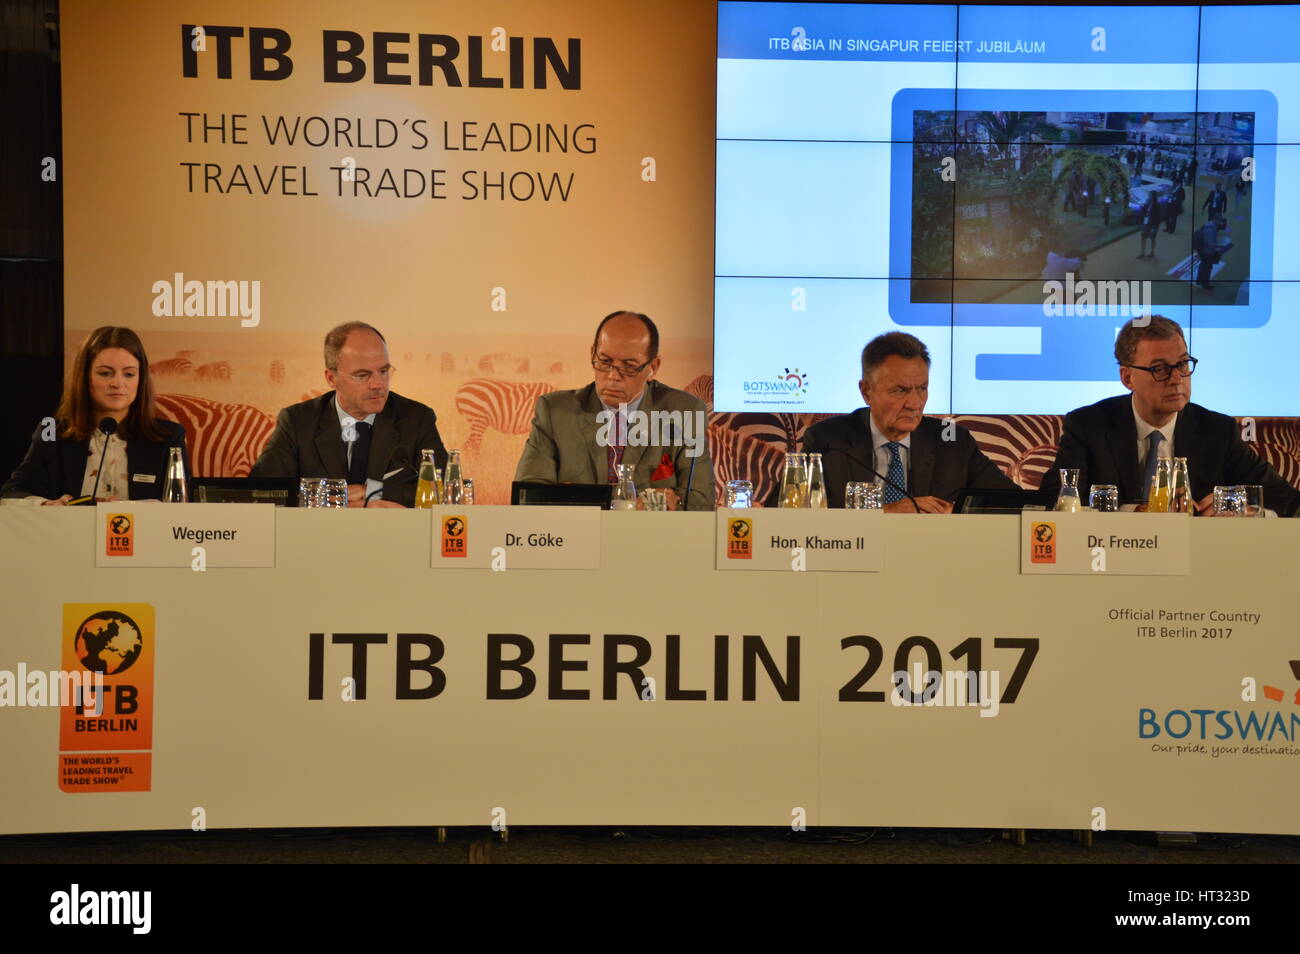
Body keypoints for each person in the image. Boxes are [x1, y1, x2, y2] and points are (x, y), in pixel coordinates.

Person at [1040, 316, 1299, 516]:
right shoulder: (1088, 425)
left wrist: (1238, 504)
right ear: (1128, 378)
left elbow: (1287, 501)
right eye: (1160, 369)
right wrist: (1132, 514)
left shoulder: (1217, 430)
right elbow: (1056, 501)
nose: (1176, 379)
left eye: (1183, 364)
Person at [514, 310, 714, 510]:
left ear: (653, 366)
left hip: (654, 537)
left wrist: (673, 501)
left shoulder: (684, 412)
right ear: (593, 354)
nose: (613, 376)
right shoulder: (555, 411)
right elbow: (528, 496)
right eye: (605, 362)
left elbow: (701, 501)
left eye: (628, 366)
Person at [800, 332, 1018, 511]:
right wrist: (885, 512)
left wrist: (957, 512)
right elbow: (789, 513)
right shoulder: (827, 441)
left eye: (922, 388)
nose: (914, 403)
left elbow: (1015, 503)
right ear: (866, 391)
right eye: (899, 390)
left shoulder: (953, 441)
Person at [251, 322, 446, 508]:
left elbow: (445, 491)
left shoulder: (416, 419)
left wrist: (372, 493)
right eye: (362, 375)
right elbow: (260, 492)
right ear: (331, 378)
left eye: (384, 371)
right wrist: (332, 496)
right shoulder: (297, 422)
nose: (378, 384)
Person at [2, 326, 187, 504]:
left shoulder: (169, 436)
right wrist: (47, 505)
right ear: (85, 376)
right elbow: (12, 493)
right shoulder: (51, 431)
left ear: (141, 379)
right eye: (105, 373)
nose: (117, 383)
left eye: (129, 374)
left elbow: (182, 504)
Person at [1193, 216, 1231, 292]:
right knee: (1207, 267)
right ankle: (1205, 284)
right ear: (1217, 221)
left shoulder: (1209, 225)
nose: (1223, 226)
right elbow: (1210, 244)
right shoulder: (1210, 229)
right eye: (1222, 223)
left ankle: (1199, 280)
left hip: (1203, 249)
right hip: (1206, 251)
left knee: (1203, 265)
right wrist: (1222, 245)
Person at [1136, 195, 1161, 259]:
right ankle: (1142, 253)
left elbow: (1158, 218)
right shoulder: (1147, 205)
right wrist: (1143, 206)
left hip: (1153, 225)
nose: (1148, 198)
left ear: (1153, 198)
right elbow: (1143, 212)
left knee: (1152, 239)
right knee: (1143, 237)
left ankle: (1152, 252)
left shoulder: (1157, 206)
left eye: (1150, 197)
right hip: (1146, 224)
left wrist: (1154, 228)